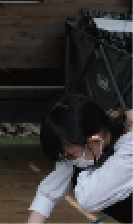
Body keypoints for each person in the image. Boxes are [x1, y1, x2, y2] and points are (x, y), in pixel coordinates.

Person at [27, 94, 132, 223]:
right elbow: (48, 193)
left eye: (71, 154)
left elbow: (89, 199)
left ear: (94, 141)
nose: (69, 159)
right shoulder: (92, 134)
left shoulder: (128, 147)